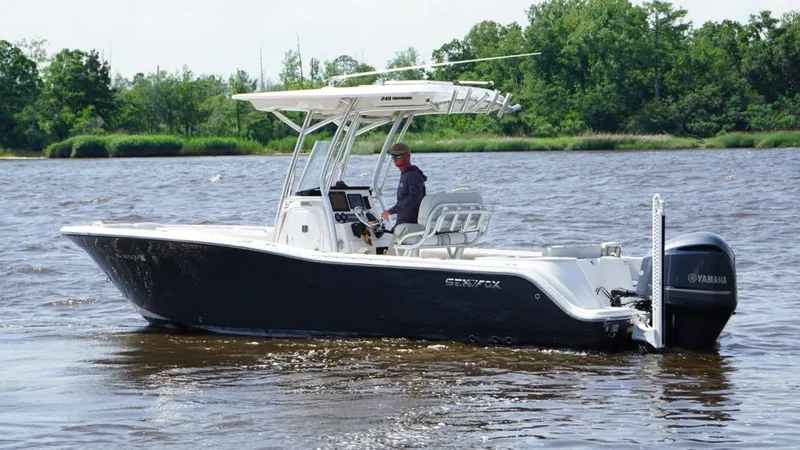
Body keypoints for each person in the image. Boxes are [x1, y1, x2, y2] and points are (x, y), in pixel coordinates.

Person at [381, 142, 427, 226]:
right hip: (403, 222)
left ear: (408, 156)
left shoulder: (413, 176)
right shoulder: (406, 175)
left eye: (398, 155)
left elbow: (414, 198)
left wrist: (391, 211)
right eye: (392, 155)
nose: (395, 158)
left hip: (411, 224)